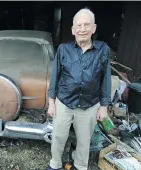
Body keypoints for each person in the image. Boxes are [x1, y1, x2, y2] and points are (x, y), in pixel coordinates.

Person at [46, 8, 111, 170]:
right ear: (73, 30)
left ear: (93, 28)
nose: (82, 29)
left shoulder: (103, 50)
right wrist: (51, 102)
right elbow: (55, 76)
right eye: (79, 25)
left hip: (89, 104)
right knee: (58, 136)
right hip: (64, 102)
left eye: (86, 25)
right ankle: (55, 164)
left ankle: (80, 165)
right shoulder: (63, 49)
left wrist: (104, 106)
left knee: (84, 140)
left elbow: (106, 79)